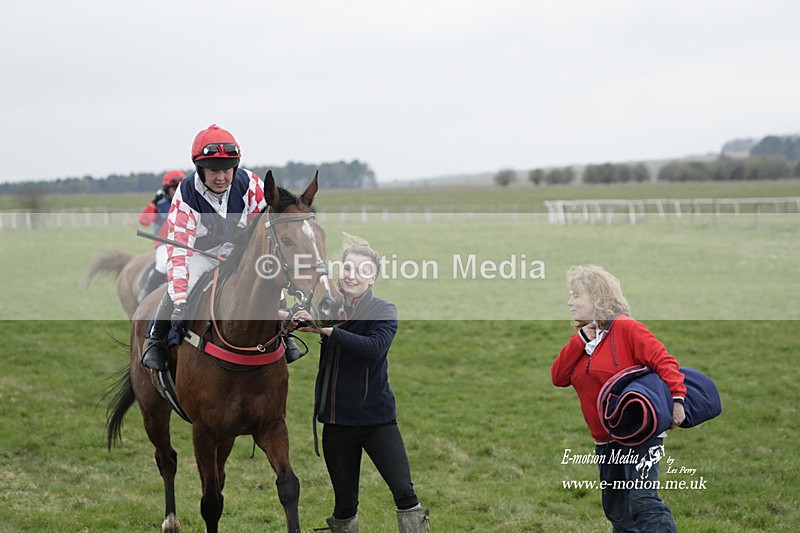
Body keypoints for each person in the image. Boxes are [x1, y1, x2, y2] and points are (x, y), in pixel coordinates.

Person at [291, 237, 430, 533]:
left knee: (405, 494)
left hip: (377, 421)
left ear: (373, 278)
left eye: (361, 270)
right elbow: (295, 314)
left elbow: (373, 348)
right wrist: (293, 318)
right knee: (344, 506)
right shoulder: (327, 304)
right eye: (347, 267)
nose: (351, 275)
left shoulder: (384, 310)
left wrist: (326, 330)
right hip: (337, 423)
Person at [551, 265, 686, 532]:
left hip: (639, 434)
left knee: (642, 501)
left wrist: (678, 400)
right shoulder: (586, 338)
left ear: (597, 298)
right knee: (618, 511)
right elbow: (559, 377)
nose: (570, 302)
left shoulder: (626, 328)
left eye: (576, 295)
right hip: (605, 439)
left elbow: (665, 361)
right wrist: (579, 340)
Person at [140, 124, 265, 371]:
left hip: (238, 252)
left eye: (227, 170)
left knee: (266, 276)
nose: (221, 177)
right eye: (213, 170)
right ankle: (156, 338)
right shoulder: (186, 193)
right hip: (199, 254)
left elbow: (262, 231)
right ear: (199, 169)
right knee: (182, 292)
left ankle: (283, 335)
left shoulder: (251, 183)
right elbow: (179, 250)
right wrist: (179, 299)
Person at [137, 169, 185, 299]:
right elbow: (143, 221)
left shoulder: (188, 202)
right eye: (174, 188)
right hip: (164, 243)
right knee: (164, 264)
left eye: (180, 187)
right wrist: (153, 204)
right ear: (167, 189)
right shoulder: (159, 204)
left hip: (186, 241)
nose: (177, 191)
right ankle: (146, 293)